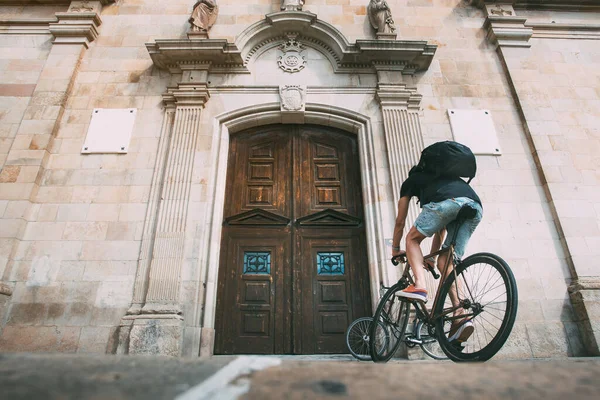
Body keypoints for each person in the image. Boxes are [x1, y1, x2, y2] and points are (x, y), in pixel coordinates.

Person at [391, 164, 483, 343]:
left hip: (447, 204)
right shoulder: (444, 179)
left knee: (411, 239)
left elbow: (400, 221)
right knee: (446, 263)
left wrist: (395, 250)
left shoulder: (411, 181)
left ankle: (419, 285)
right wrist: (432, 258)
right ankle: (460, 313)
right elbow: (440, 230)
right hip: (475, 206)